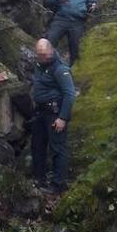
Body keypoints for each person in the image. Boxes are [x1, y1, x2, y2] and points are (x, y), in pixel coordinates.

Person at [31, 38, 76, 195]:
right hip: (40, 112)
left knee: (57, 148)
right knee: (37, 145)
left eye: (44, 54)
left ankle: (58, 184)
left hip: (55, 113)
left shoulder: (60, 69)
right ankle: (39, 178)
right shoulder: (39, 65)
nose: (41, 57)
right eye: (39, 54)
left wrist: (63, 118)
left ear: (51, 51)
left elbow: (70, 94)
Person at [44, 0, 97, 66]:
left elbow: (92, 2)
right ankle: (48, 67)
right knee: (49, 41)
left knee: (77, 49)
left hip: (78, 22)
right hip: (60, 19)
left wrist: (92, 6)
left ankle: (73, 72)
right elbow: (48, 0)